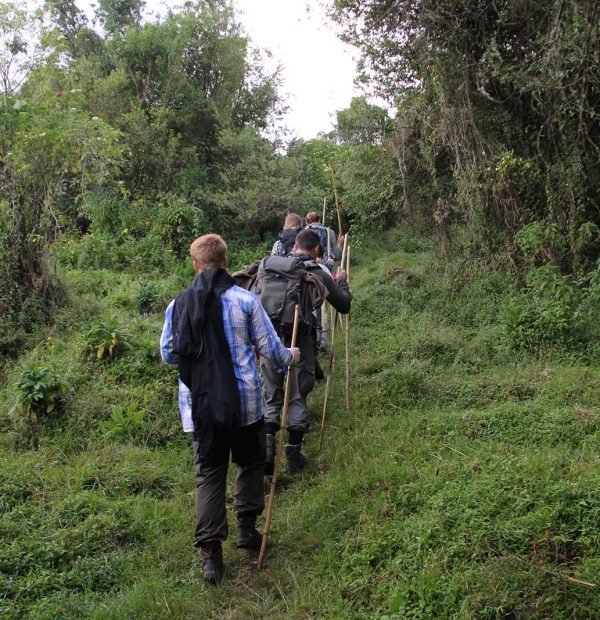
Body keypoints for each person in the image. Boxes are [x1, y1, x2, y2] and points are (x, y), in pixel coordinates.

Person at [160, 234, 301, 584]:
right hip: (245, 405)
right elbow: (272, 350)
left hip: (201, 408)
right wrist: (291, 357)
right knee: (250, 461)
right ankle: (246, 529)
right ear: (226, 261)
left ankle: (211, 557)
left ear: (196, 264)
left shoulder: (178, 305)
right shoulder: (245, 300)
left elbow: (168, 353)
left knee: (209, 474)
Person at [261, 229, 352, 475]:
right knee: (297, 392)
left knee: (271, 392)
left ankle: (268, 451)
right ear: (316, 250)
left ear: (294, 247)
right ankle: (293, 455)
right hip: (300, 336)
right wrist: (342, 280)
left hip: (269, 336)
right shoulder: (317, 272)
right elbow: (343, 305)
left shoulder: (269, 266)